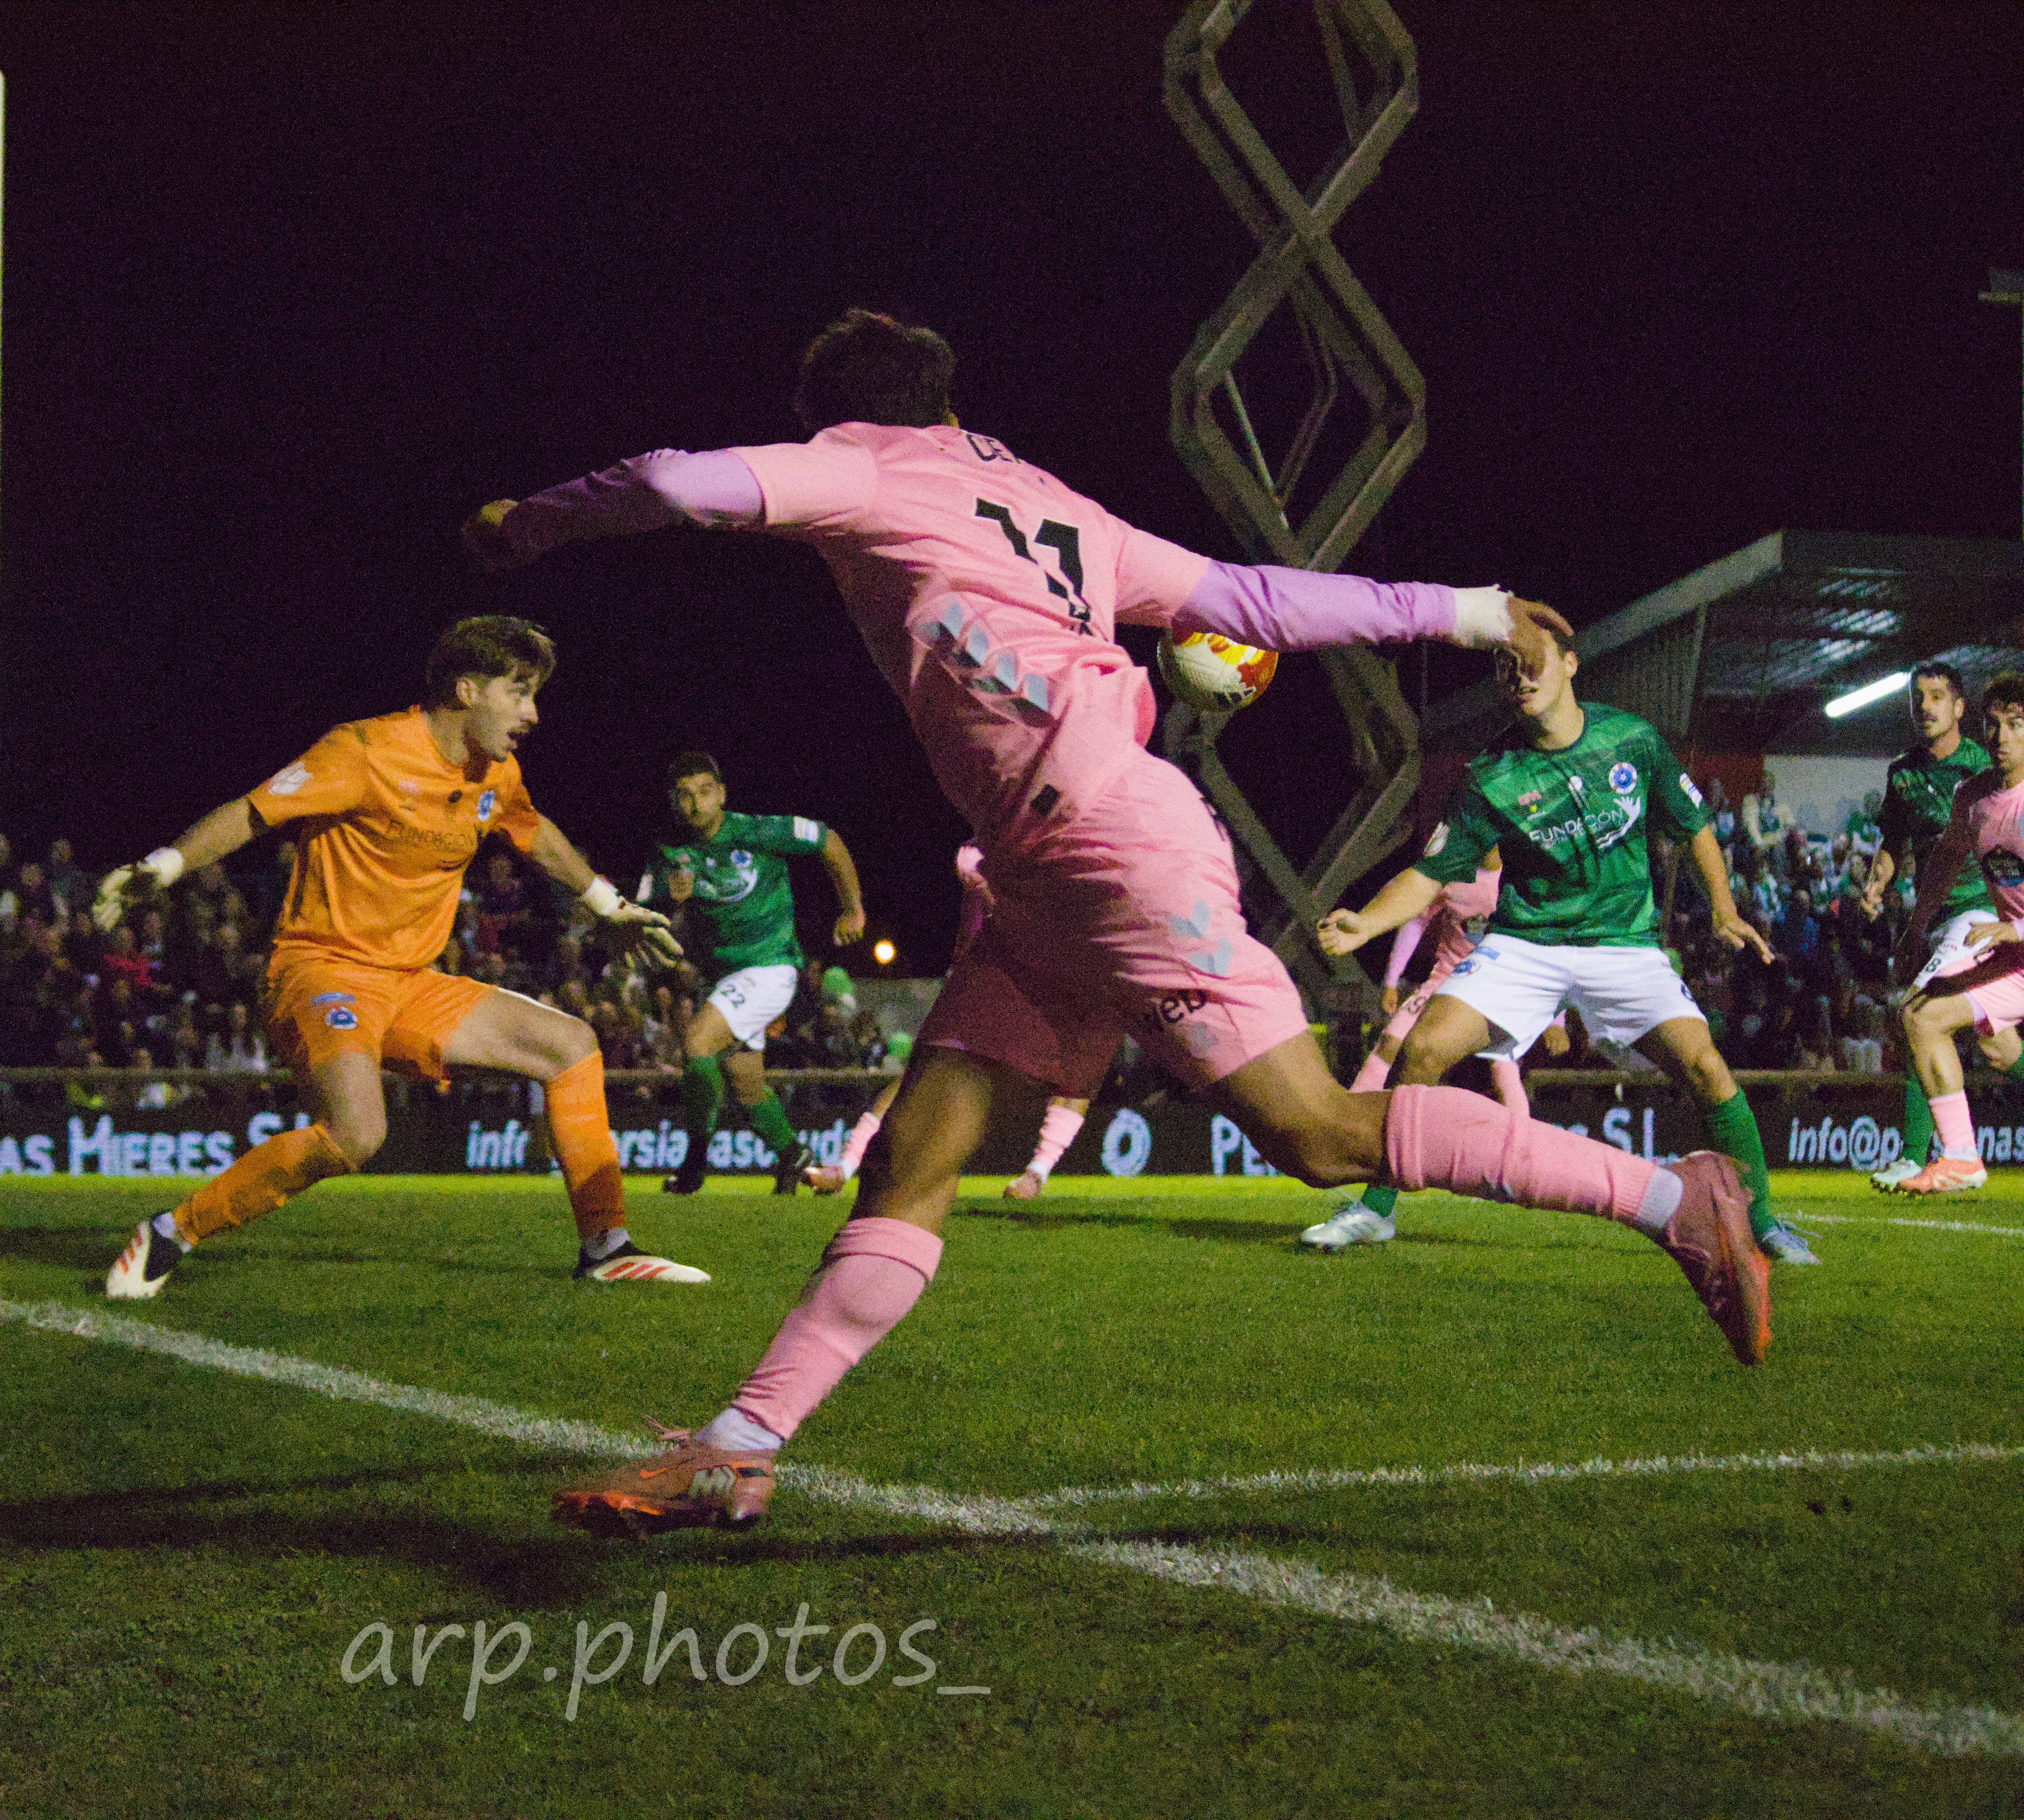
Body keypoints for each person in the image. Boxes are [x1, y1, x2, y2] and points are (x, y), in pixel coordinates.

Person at [465, 309, 1770, 1536]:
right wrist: (1467, 609)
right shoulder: (1048, 502)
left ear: (831, 415)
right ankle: (740, 1446)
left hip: (1113, 848)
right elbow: (1253, 602)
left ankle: (1676, 1197)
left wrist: (528, 523)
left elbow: (683, 483)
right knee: (913, 1158)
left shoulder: (853, 470)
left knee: (1315, 1134)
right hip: (1048, 873)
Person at [90, 615, 708, 1295]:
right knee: (357, 1134)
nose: (532, 714)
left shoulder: (496, 773)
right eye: (521, 691)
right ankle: (173, 1231)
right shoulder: (365, 750)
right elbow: (254, 810)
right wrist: (163, 865)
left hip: (409, 982)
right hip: (320, 970)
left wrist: (608, 906)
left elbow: (534, 833)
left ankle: (607, 1247)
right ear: (468, 690)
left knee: (570, 1045)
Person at [1318, 627, 1817, 1265]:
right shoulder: (1491, 775)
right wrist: (1368, 921)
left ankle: (1764, 1222)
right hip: (1527, 944)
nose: (1518, 677)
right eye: (1504, 668)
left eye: (1530, 663)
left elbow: (1694, 827)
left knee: (1706, 1068)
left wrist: (1722, 906)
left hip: (1625, 946)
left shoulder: (1633, 740)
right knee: (1424, 1050)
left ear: (1570, 664)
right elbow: (1431, 873)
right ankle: (1376, 1211)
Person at [806, 844, 1104, 1199]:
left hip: (1045, 981)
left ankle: (1036, 1175)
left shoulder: (1058, 855)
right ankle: (845, 1167)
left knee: (1080, 1070)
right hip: (983, 984)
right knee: (914, 1079)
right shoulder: (987, 851)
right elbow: (974, 869)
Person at [640, 751, 865, 1195]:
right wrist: (673, 902)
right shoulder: (667, 852)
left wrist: (853, 910)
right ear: (673, 802)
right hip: (723, 978)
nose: (696, 804)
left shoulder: (758, 830)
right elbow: (648, 916)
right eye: (684, 796)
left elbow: (829, 841)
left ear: (722, 795)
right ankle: (794, 1159)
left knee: (697, 1044)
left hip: (771, 966)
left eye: (705, 792)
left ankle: (694, 1163)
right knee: (746, 1086)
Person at [1298, 862, 1530, 1249]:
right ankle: (1351, 1137)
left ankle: (1520, 1167)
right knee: (1396, 1045)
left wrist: (1555, 1017)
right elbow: (1417, 919)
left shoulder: (1525, 874)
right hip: (1446, 982)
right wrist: (1391, 979)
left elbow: (1551, 947)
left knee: (1502, 1067)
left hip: (1497, 986)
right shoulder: (1457, 866)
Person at [1860, 662, 2024, 1186]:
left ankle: (1929, 1153)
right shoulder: (1965, 795)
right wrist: (1908, 923)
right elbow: (1934, 859)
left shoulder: (2005, 787)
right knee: (1990, 1044)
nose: (2002, 738)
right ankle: (1954, 1156)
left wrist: (2013, 930)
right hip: (1985, 940)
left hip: (1994, 931)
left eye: (2016, 725)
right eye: (1995, 725)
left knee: (1920, 1011)